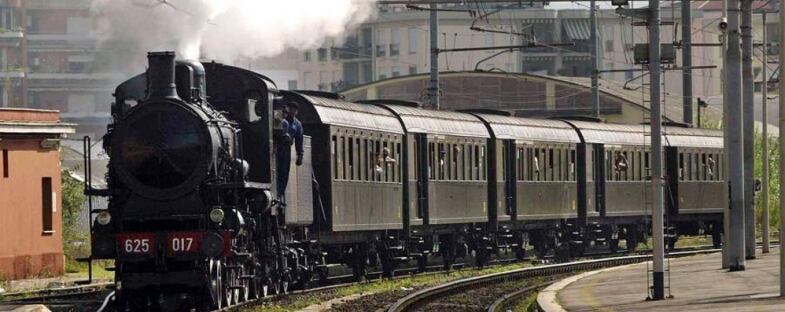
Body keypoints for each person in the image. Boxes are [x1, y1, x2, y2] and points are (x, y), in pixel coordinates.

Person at [276, 101, 304, 196]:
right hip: (277, 146)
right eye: (290, 108)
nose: (292, 111)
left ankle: (280, 192)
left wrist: (300, 155)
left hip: (286, 149)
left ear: (296, 112)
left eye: (294, 109)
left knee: (284, 172)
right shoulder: (280, 118)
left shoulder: (297, 124)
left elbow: (299, 140)